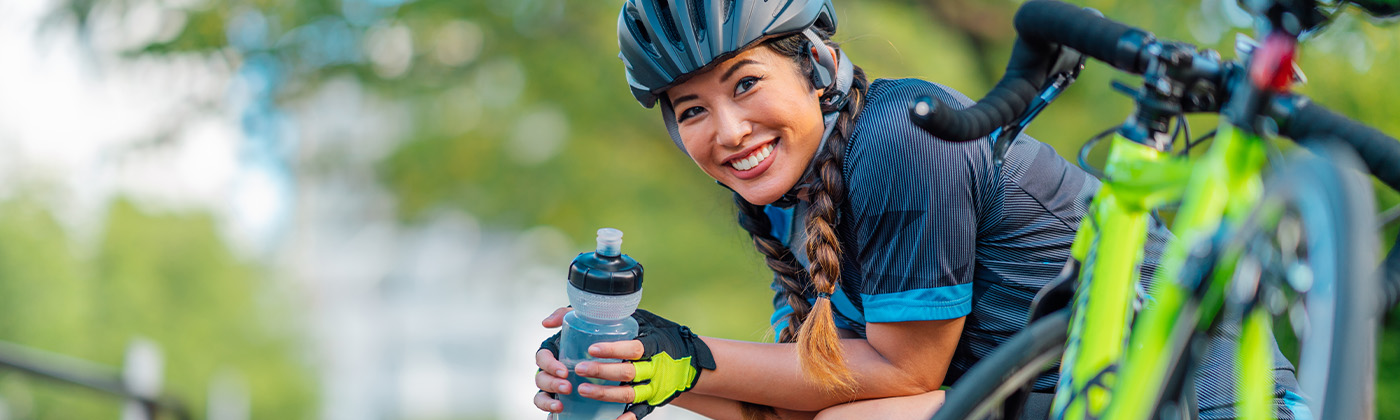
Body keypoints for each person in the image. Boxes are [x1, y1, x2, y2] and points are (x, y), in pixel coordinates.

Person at [533, 1, 1307, 419]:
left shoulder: (905, 134)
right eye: (691, 110)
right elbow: (799, 403)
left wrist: (694, 353)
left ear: (818, 68)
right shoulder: (788, 206)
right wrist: (638, 369)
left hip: (1197, 396)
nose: (729, 132)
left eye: (744, 84)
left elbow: (904, 374)